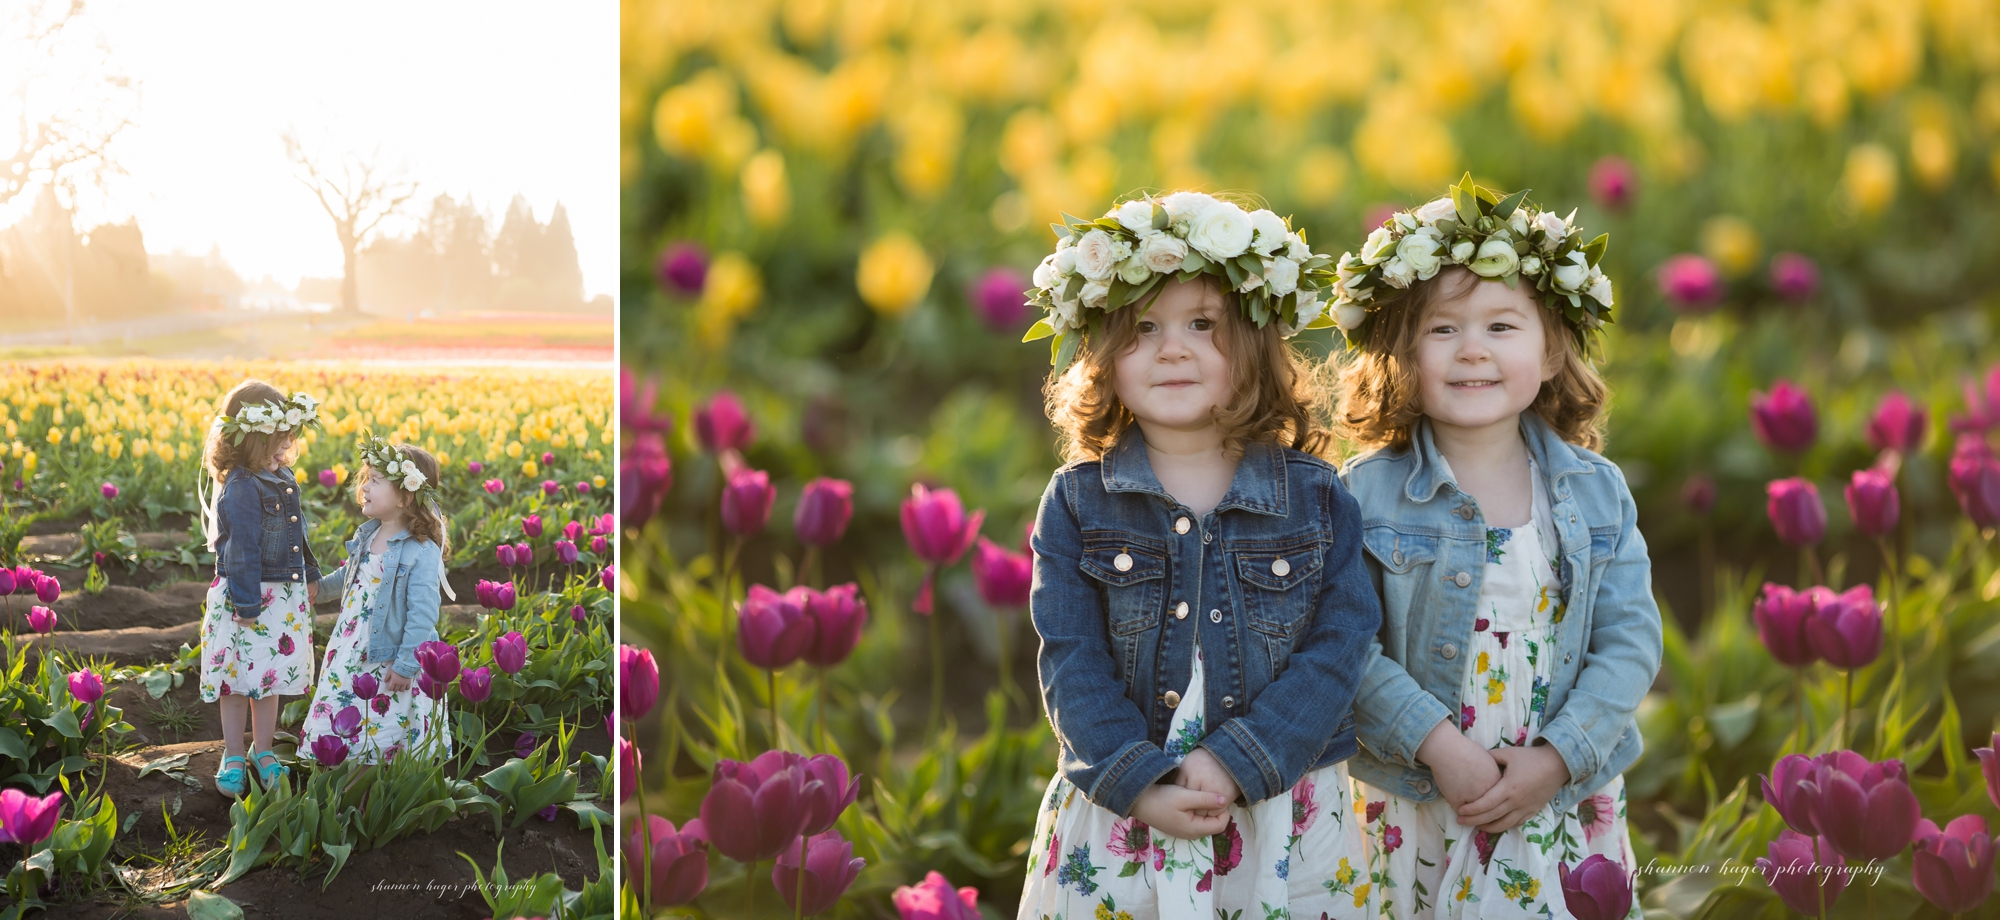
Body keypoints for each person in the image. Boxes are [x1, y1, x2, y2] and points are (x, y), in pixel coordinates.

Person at [1017, 191, 1382, 918]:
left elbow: (1342, 644)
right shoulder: (1078, 503)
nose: (1172, 349)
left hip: (1278, 807)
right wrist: (1139, 782)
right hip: (1128, 812)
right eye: (1143, 328)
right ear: (1101, 354)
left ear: (1254, 344)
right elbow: (1071, 659)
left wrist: (1241, 759)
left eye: (1202, 325)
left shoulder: (1315, 497)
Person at [1332, 175, 1660, 918]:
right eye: (1442, 330)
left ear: (1551, 352)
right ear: (1401, 353)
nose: (1472, 350)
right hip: (1423, 791)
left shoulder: (1596, 493)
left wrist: (1558, 758)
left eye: (1502, 327)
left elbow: (1631, 640)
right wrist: (1440, 748)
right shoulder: (1363, 495)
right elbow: (1346, 645)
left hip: (1556, 789)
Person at [197, 380, 323, 796]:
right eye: (278, 438)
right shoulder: (241, 486)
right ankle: (234, 753)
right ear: (251, 438)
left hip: (280, 596)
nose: (286, 446)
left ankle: (263, 749)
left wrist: (310, 572)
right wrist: (248, 604)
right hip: (247, 597)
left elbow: (297, 533)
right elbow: (242, 550)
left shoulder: (281, 476)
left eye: (288, 437)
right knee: (236, 679)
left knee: (268, 677)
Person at [301, 436, 453, 764]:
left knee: (385, 721)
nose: (365, 487)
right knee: (348, 706)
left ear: (406, 495)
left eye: (376, 481)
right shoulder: (368, 534)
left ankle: (379, 781)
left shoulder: (421, 551)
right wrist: (318, 590)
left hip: (390, 655)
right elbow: (349, 575)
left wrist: (407, 664)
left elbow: (423, 613)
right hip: (352, 646)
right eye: (367, 479)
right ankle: (347, 769)